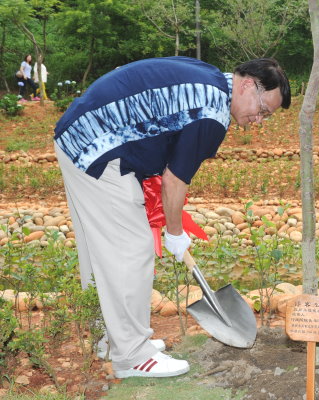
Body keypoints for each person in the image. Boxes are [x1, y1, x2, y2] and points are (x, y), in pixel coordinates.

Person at [54, 56, 291, 378]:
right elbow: (174, 180)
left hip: (81, 135)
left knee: (99, 251)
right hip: (97, 146)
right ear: (248, 84)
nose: (259, 120)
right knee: (130, 249)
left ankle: (113, 340)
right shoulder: (211, 113)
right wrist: (176, 233)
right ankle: (132, 357)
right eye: (263, 110)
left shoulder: (211, 78)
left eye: (267, 117)